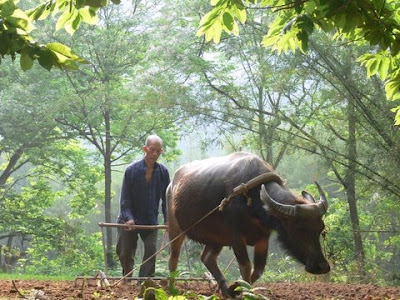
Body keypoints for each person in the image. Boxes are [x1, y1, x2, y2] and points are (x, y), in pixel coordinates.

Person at [116, 134, 170, 279]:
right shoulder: (131, 170)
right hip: (128, 220)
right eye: (152, 150)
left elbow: (166, 199)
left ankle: (145, 282)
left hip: (150, 220)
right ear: (145, 149)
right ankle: (126, 279)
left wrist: (168, 220)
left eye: (158, 151)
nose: (155, 154)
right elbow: (125, 199)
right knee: (125, 252)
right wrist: (129, 218)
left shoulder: (163, 172)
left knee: (151, 251)